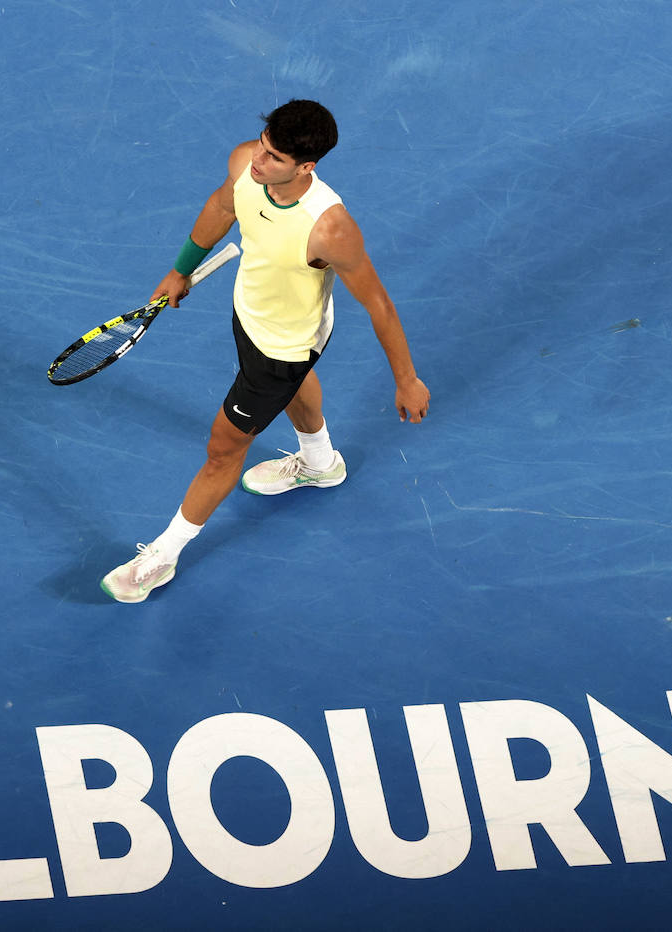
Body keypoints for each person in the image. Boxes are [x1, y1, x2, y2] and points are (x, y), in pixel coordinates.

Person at [102, 99, 430, 602]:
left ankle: (163, 556)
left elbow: (379, 305)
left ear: (307, 167)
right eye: (263, 144)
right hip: (250, 315)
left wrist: (406, 380)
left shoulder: (330, 227)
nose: (259, 161)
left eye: (275, 157)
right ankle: (320, 463)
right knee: (292, 389)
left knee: (222, 450)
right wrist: (181, 268)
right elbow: (221, 206)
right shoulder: (245, 165)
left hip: (286, 347)